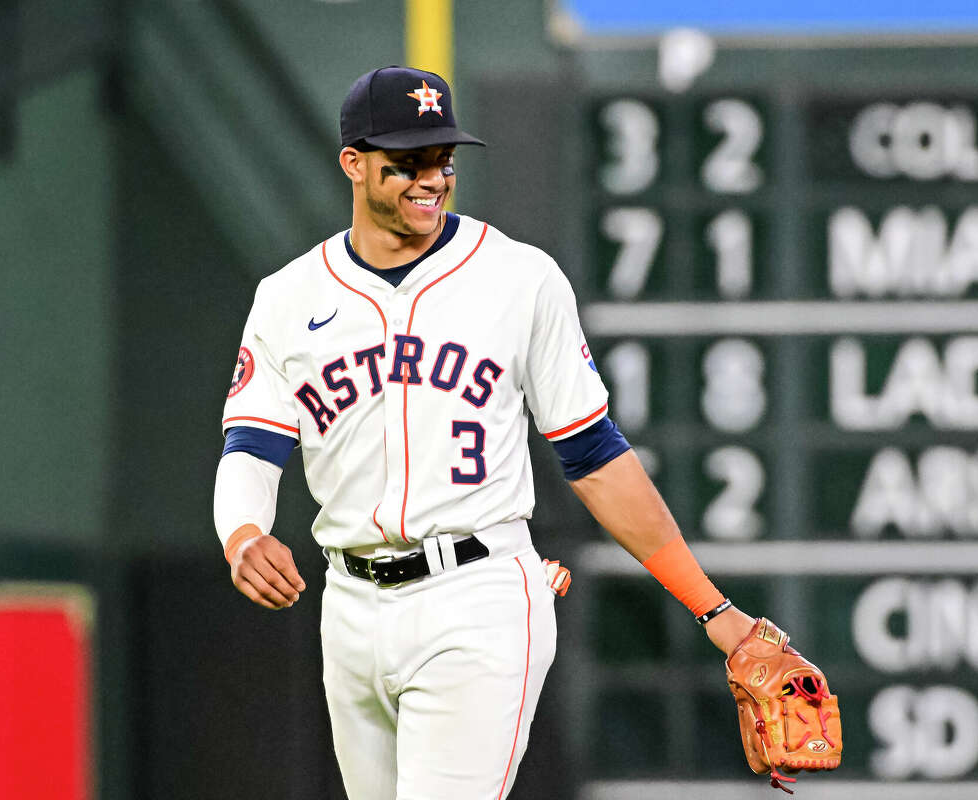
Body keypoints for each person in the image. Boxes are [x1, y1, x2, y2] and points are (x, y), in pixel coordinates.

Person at [213, 65, 757, 799]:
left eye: (442, 157)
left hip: (476, 594)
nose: (431, 178)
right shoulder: (286, 297)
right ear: (353, 163)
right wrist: (243, 533)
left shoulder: (519, 278)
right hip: (348, 603)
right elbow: (252, 446)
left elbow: (595, 454)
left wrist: (715, 611)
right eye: (406, 161)